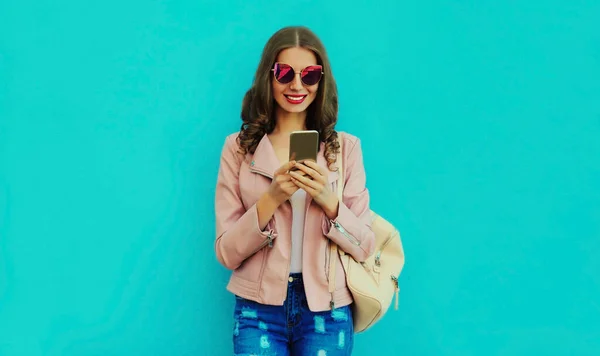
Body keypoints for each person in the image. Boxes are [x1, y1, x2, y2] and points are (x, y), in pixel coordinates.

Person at [214, 25, 375, 355]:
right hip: (257, 308)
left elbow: (365, 245)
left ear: (321, 80)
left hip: (327, 308)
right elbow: (226, 252)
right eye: (285, 72)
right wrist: (271, 197)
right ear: (268, 77)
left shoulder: (344, 149)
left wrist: (327, 200)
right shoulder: (238, 149)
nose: (297, 85)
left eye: (310, 75)